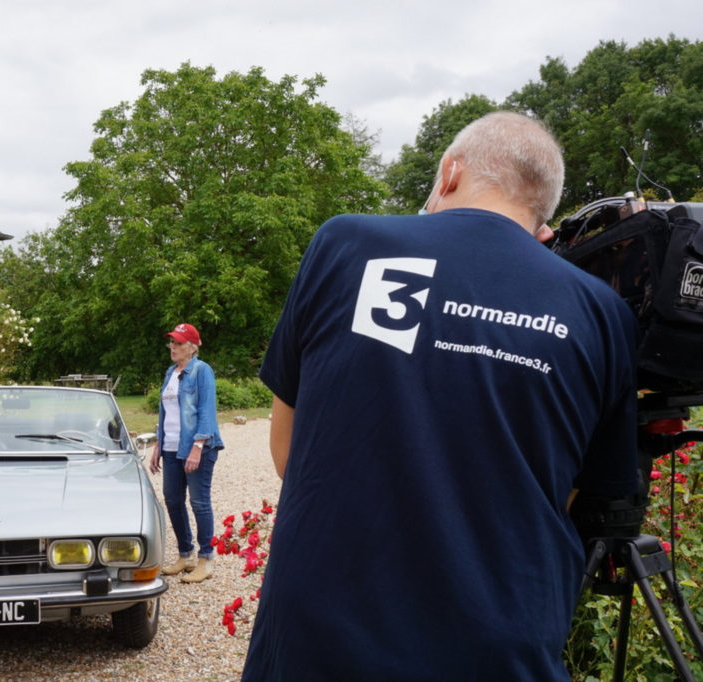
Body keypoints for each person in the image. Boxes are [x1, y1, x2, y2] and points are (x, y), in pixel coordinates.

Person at [241, 112, 640, 680]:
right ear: (543, 224)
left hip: (320, 640)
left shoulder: (347, 243)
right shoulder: (602, 312)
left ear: (449, 174)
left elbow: (289, 451)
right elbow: (572, 495)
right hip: (499, 650)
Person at [148, 323, 225, 583]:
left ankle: (206, 559)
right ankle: (185, 555)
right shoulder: (171, 372)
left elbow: (206, 410)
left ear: (192, 347)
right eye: (172, 342)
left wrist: (198, 447)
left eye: (179, 343)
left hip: (195, 448)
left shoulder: (202, 371)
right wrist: (158, 444)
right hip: (170, 448)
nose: (173, 347)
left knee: (199, 502)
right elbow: (166, 413)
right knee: (172, 500)